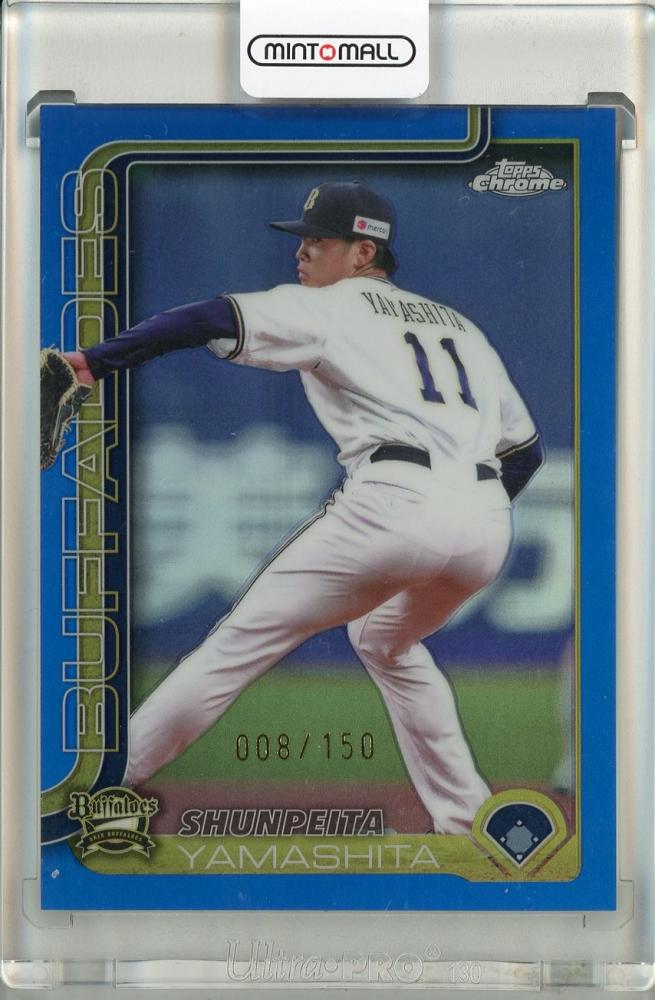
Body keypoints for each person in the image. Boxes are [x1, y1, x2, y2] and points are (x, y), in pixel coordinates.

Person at [65, 181, 543, 834]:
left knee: (236, 644)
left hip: (394, 500)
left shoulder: (332, 306)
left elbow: (209, 317)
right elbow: (525, 452)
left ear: (362, 251)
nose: (303, 251)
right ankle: (466, 822)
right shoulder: (462, 328)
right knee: (385, 641)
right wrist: (465, 515)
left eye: (319, 240)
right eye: (303, 240)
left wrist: (92, 362)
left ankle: (97, 792)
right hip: (485, 522)